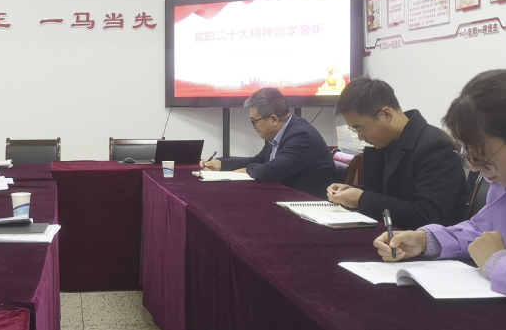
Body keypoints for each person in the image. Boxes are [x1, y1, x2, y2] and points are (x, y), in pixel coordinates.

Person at [374, 70, 506, 313]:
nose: (474, 167)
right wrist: (426, 240)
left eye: (483, 154)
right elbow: (485, 231)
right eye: (468, 153)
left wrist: (502, 266)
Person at [327, 78, 468, 229]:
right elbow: (384, 195)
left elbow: (429, 215)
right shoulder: (384, 144)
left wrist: (362, 199)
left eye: (360, 129)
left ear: (386, 114)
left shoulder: (436, 146)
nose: (361, 137)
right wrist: (350, 193)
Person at [200, 87, 335, 198]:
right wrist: (222, 164)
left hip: (309, 205)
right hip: (287, 198)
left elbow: (271, 171)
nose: (253, 126)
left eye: (254, 121)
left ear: (273, 120)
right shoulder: (277, 134)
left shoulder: (301, 136)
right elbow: (258, 160)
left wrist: (248, 170)